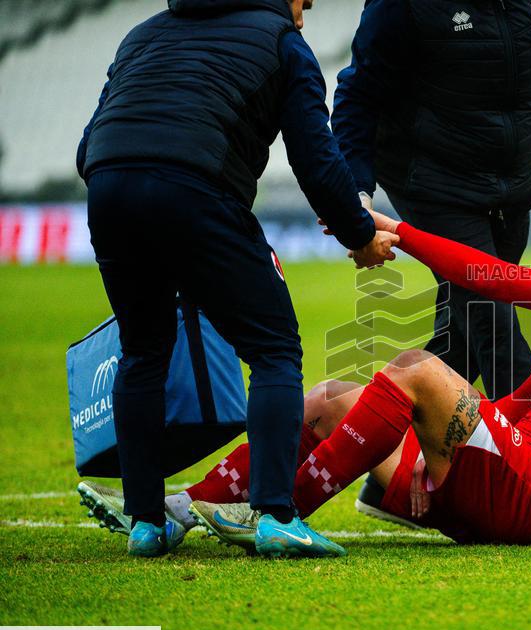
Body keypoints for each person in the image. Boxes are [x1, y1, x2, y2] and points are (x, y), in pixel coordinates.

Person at [80, 178, 531, 547]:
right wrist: (447, 444)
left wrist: (400, 232)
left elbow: (500, 280)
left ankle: (278, 515)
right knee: (326, 399)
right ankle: (181, 509)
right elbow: (524, 403)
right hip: (523, 476)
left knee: (419, 368)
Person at [77, 0, 397, 558]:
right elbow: (317, 163)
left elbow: (88, 146)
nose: (311, 3)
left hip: (109, 189)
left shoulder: (141, 35)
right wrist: (359, 233)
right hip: (198, 192)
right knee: (273, 348)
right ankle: (275, 516)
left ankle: (147, 524)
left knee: (143, 351)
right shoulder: (280, 42)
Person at [332, 0, 531, 401]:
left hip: (513, 187)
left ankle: (390, 446)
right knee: (495, 323)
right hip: (433, 183)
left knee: (462, 342)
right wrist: (356, 195)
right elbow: (359, 93)